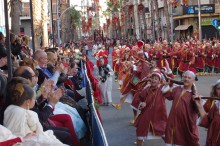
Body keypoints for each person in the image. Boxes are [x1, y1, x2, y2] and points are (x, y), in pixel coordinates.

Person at [3, 79, 63, 145]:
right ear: (28, 102)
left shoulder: (9, 109)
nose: (35, 101)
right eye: (34, 99)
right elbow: (38, 132)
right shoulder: (29, 114)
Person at [132, 71, 170, 146]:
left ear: (159, 81)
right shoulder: (146, 89)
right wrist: (141, 103)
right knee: (140, 134)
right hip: (146, 116)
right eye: (152, 78)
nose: (153, 80)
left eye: (156, 79)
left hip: (159, 117)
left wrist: (167, 83)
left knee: (165, 135)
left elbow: (170, 94)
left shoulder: (162, 89)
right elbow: (138, 98)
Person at [165, 68, 200, 146]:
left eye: (189, 78)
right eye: (185, 77)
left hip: (184, 125)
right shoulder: (177, 89)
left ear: (193, 80)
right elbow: (169, 96)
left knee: (181, 142)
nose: (186, 79)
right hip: (172, 122)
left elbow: (198, 111)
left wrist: (197, 102)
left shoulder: (194, 95)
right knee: (170, 141)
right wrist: (166, 86)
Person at [194, 79, 220, 146]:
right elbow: (207, 122)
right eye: (219, 88)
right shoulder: (216, 106)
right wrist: (199, 105)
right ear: (215, 90)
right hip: (211, 141)